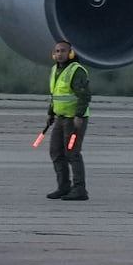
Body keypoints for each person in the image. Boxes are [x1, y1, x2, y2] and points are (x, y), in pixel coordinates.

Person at [46, 40, 91, 201]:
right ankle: (63, 186)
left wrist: (79, 115)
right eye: (57, 51)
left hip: (74, 119)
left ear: (71, 53)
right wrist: (50, 113)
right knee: (56, 152)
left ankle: (80, 189)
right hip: (60, 118)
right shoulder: (55, 70)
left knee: (72, 153)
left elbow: (84, 95)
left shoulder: (76, 71)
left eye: (63, 51)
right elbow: (55, 95)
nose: (60, 54)